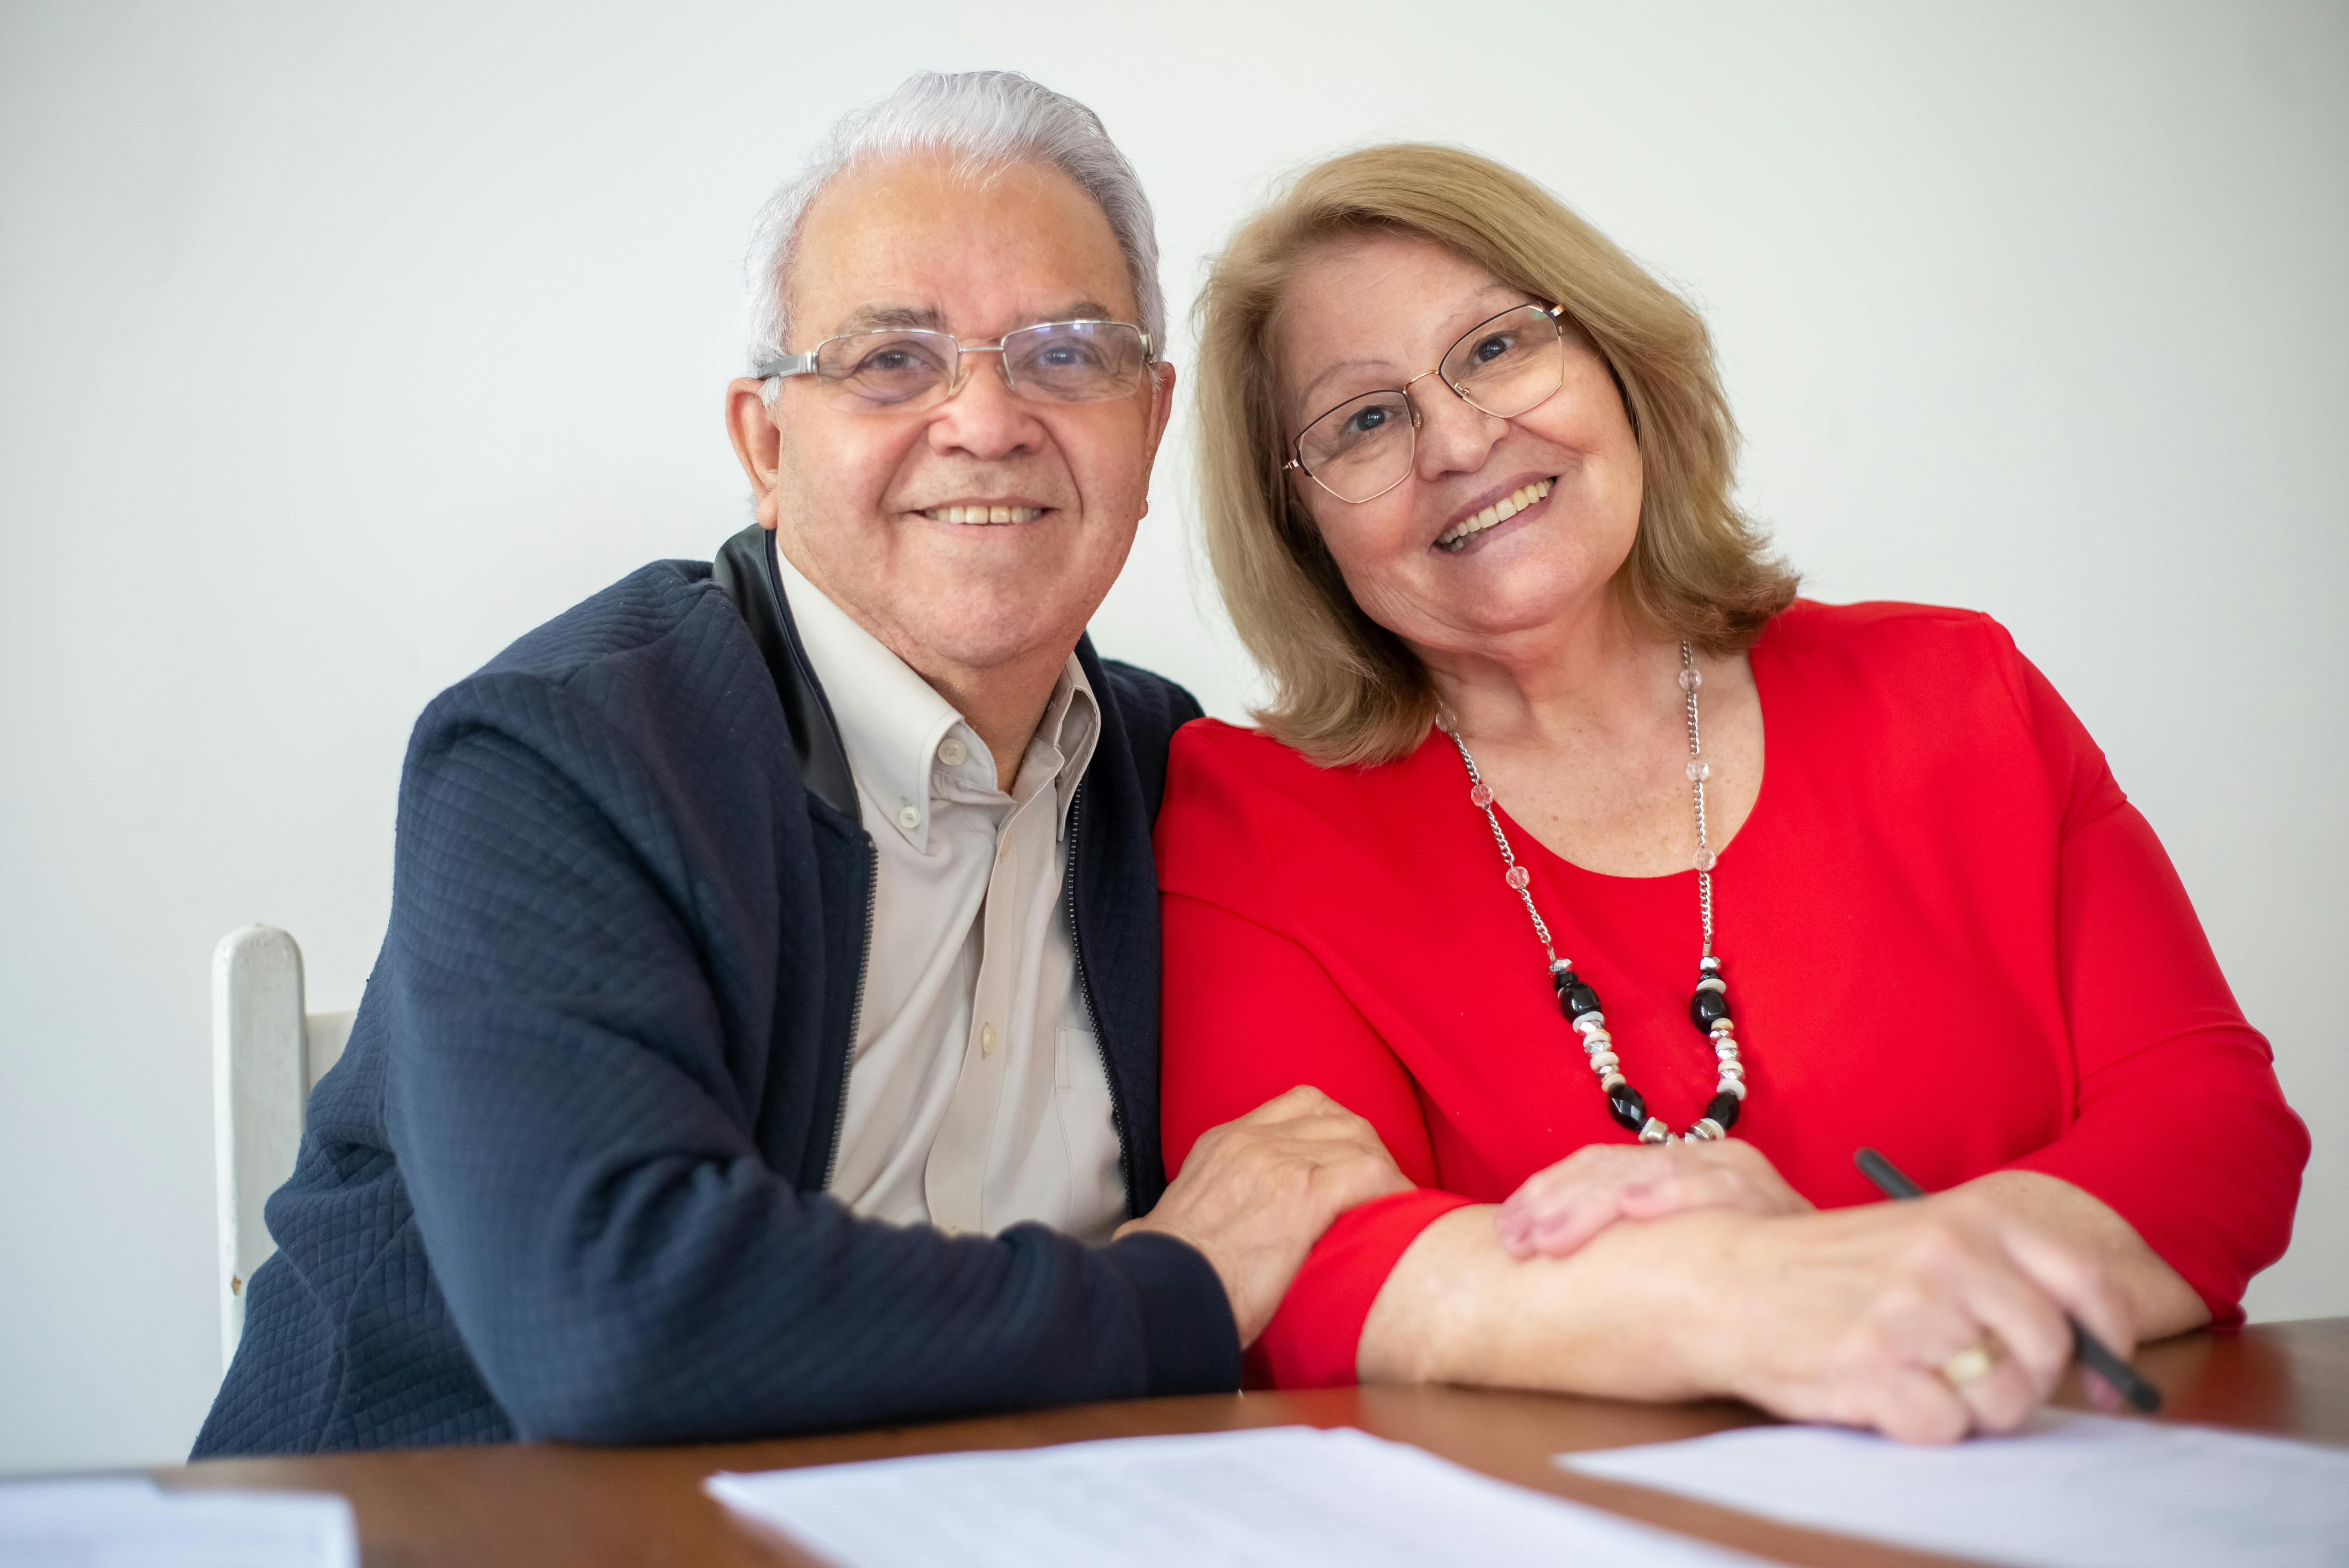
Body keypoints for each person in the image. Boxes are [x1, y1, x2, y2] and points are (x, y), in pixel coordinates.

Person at [192, 72, 1405, 1457]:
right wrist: (1170, 1292)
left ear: (1147, 424)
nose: (986, 418)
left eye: (1065, 354)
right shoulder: (559, 751)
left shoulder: (1163, 770)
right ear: (764, 445)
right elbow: (619, 1326)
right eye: (891, 359)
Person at [1160, 142, 2307, 1443]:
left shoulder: (1954, 690)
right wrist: (1747, 1293)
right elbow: (1300, 1267)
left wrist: (1888, 1281)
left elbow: (2210, 1125)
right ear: (1297, 521)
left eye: (1493, 350)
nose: (1460, 439)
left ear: (1616, 363)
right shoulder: (1252, 819)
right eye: (1362, 419)